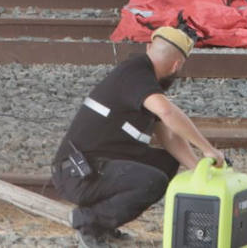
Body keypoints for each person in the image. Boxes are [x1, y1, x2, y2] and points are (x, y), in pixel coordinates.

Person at [51, 26, 226, 248]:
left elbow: (169, 136)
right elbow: (168, 112)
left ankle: (103, 225)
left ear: (148, 46)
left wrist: (197, 167)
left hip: (92, 167)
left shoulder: (142, 80)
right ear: (177, 65)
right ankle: (89, 223)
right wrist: (208, 148)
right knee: (152, 181)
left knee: (165, 162)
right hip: (78, 173)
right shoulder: (135, 74)